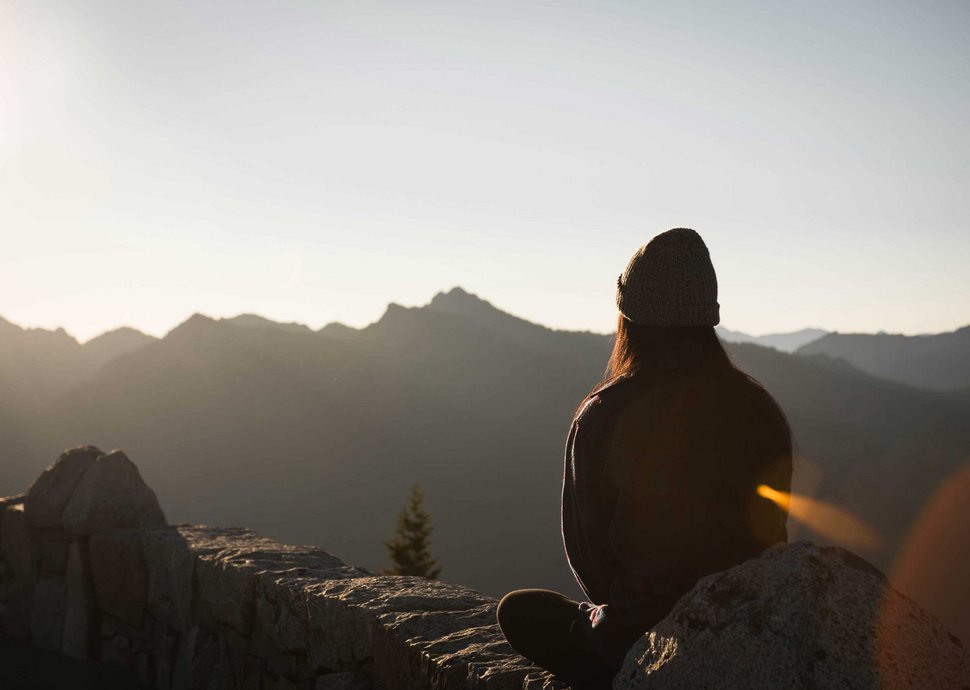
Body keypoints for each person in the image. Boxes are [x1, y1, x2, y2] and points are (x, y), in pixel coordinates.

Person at [495, 228, 793, 689]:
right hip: (749, 626)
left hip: (642, 639)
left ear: (629, 317)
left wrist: (615, 621)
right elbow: (772, 534)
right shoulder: (758, 410)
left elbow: (590, 552)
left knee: (520, 611)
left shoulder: (606, 413)